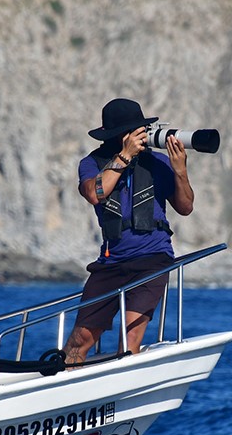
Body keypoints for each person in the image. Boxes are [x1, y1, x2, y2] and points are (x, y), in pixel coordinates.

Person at [61, 98, 195, 366]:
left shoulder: (157, 163)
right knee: (78, 342)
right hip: (111, 262)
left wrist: (180, 171)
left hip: (153, 260)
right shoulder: (92, 163)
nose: (140, 136)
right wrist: (124, 156)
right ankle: (64, 393)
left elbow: (186, 207)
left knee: (129, 338)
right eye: (133, 132)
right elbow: (94, 193)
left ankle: (118, 395)